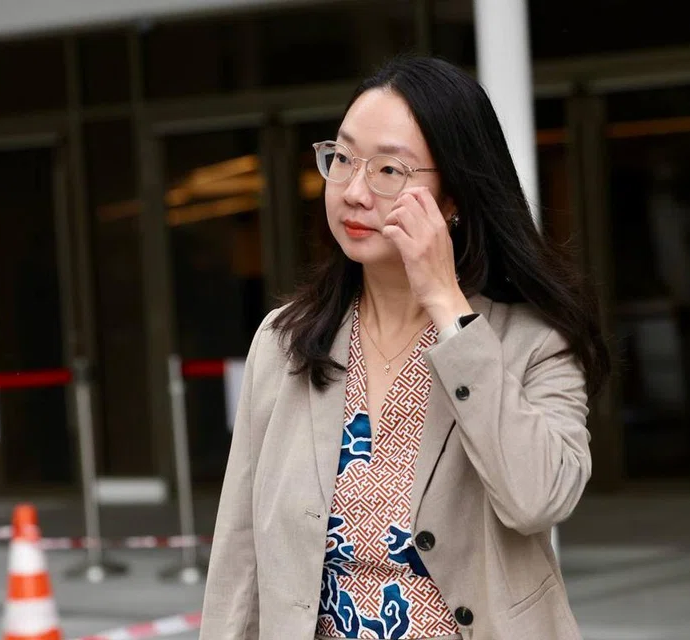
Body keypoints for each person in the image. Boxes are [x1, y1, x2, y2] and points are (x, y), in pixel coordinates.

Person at [199, 53, 610, 640]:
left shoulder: (533, 341)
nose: (354, 191)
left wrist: (447, 305)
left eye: (389, 170)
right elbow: (239, 553)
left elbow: (539, 499)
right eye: (342, 159)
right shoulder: (286, 341)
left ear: (454, 198)